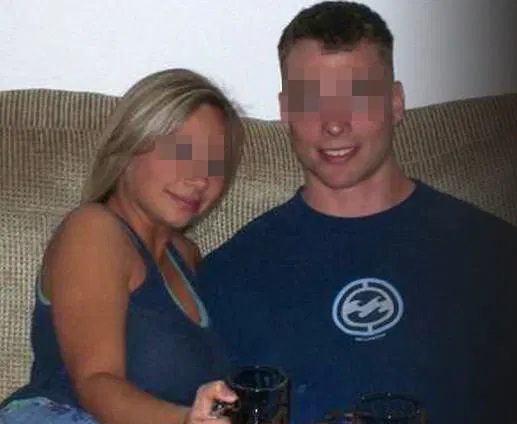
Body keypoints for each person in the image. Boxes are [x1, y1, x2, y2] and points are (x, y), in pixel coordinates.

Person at [197, 2, 517, 424]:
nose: (334, 124)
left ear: (396, 103)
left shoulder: (494, 254)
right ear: (286, 111)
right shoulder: (227, 274)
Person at [0, 68, 244, 424]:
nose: (199, 178)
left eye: (215, 163)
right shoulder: (94, 230)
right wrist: (184, 420)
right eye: (182, 151)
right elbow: (95, 382)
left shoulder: (186, 257)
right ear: (130, 146)